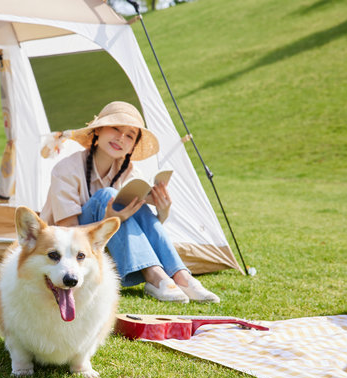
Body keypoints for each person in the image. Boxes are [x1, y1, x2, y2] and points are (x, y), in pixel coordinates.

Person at [41, 101, 219, 303]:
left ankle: (181, 277)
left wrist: (163, 211)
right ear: (98, 131)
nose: (121, 138)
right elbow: (67, 231)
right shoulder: (67, 169)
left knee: (136, 198)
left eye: (129, 136)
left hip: (106, 244)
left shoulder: (130, 172)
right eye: (115, 129)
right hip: (65, 246)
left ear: (132, 146)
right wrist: (108, 220)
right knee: (108, 195)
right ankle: (155, 277)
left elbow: (138, 229)